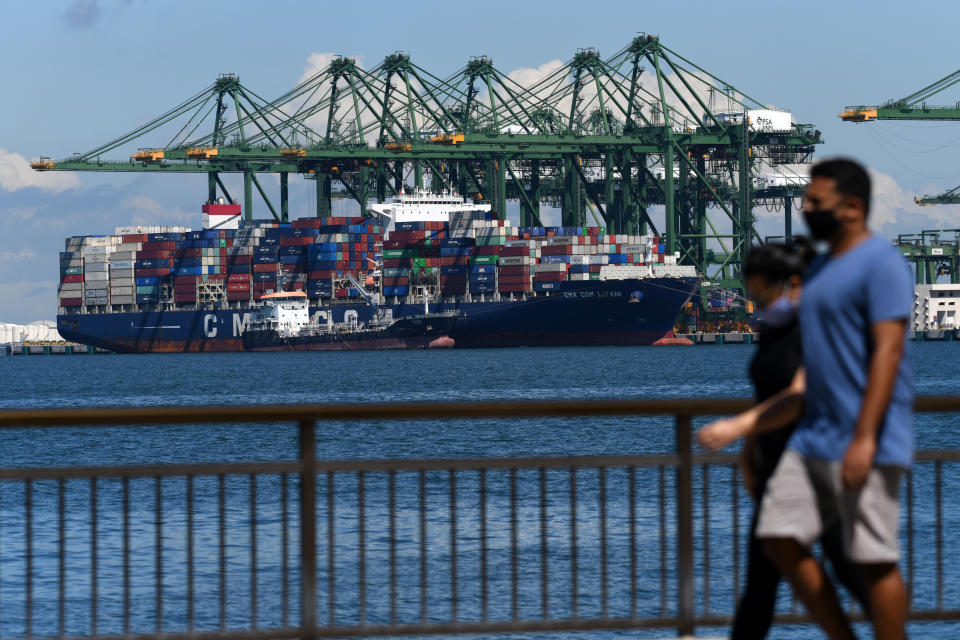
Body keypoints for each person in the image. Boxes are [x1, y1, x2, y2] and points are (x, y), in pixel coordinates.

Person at [698, 158, 913, 640]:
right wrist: (745, 435)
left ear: (853, 208)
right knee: (776, 536)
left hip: (867, 437)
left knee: (874, 564)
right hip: (812, 435)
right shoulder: (818, 275)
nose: (805, 208)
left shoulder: (882, 264)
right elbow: (809, 377)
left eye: (816, 202)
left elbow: (888, 352)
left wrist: (863, 438)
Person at [730, 240, 869, 639]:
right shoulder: (774, 330)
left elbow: (799, 394)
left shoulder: (813, 326)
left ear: (792, 283)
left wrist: (734, 429)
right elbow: (767, 399)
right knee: (760, 587)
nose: (757, 303)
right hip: (775, 470)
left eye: (763, 293)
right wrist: (749, 456)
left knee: (848, 569)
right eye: (752, 293)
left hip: (816, 467)